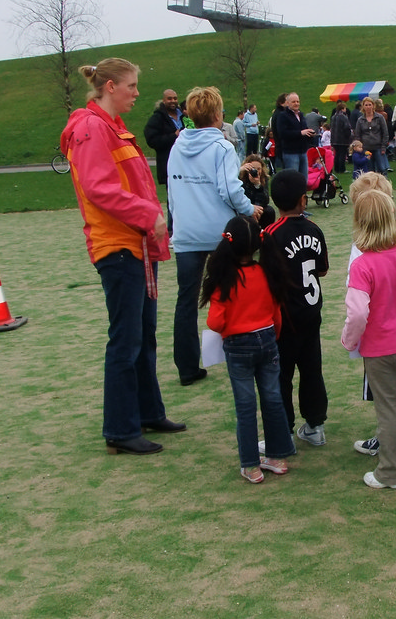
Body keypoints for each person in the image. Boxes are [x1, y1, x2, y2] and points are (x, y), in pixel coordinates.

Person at [60, 57, 182, 455]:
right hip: (118, 247)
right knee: (126, 341)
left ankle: (147, 412)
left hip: (136, 245)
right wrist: (148, 214)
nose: (137, 93)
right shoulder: (92, 128)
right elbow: (98, 188)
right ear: (110, 87)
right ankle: (120, 429)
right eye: (131, 86)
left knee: (143, 336)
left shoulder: (112, 127)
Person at [167, 86, 259, 387]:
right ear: (218, 114)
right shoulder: (222, 147)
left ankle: (187, 367)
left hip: (186, 233)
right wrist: (250, 210)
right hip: (219, 233)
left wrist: (176, 225)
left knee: (186, 300)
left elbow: (172, 191)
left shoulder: (177, 146)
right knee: (232, 292)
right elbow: (230, 190)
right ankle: (237, 352)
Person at [341, 189, 396, 489]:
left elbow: (357, 314)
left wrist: (349, 341)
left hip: (379, 347)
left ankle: (392, 471)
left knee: (386, 408)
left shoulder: (361, 265)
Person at [202, 215, 295, 484]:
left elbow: (215, 322)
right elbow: (276, 314)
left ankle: (251, 464)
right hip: (267, 339)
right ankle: (278, 456)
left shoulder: (225, 280)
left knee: (245, 406)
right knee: (273, 399)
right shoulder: (267, 273)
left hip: (238, 346)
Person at [262, 169, 330, 447]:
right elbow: (322, 270)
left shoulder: (270, 234)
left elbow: (266, 278)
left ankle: (282, 433)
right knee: (312, 370)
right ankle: (315, 426)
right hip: (311, 314)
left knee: (281, 376)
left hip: (285, 318)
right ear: (303, 200)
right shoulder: (314, 229)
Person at [143, 88, 183, 188]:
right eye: (169, 99)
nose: (173, 101)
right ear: (163, 101)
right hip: (169, 165)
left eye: (175, 98)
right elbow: (152, 140)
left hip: (186, 165)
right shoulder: (157, 118)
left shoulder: (185, 115)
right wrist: (174, 136)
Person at [273, 93, 315, 173]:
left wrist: (309, 133)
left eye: (297, 101)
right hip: (291, 153)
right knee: (293, 178)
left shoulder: (301, 115)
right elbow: (283, 134)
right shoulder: (283, 116)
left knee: (304, 178)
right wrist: (300, 133)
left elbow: (304, 130)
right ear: (287, 103)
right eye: (293, 102)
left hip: (303, 152)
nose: (296, 104)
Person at [352, 97, 390, 175]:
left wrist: (383, 146)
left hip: (378, 147)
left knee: (382, 169)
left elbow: (385, 133)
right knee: (369, 170)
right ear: (363, 107)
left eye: (370, 105)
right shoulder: (360, 120)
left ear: (373, 106)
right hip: (366, 148)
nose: (368, 107)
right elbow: (358, 135)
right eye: (366, 105)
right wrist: (360, 148)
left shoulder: (379, 117)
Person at [239, 153, 276, 229]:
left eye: (259, 169)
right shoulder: (241, 178)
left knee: (269, 211)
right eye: (253, 169)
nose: (256, 171)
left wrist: (258, 185)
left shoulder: (263, 178)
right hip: (244, 206)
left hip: (258, 206)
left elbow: (265, 200)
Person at [330, 101, 352, 173]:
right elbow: (347, 128)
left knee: (337, 154)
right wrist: (348, 136)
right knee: (342, 154)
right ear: (342, 109)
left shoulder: (333, 117)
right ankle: (342, 169)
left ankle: (336, 168)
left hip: (334, 139)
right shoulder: (344, 117)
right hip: (343, 139)